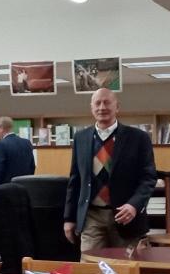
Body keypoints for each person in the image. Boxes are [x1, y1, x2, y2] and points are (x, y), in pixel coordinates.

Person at [64, 88, 156, 252]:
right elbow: (75, 179)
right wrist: (69, 218)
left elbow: (148, 178)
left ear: (117, 107)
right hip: (91, 217)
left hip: (125, 217)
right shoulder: (81, 138)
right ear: (91, 107)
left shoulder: (138, 138)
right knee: (90, 269)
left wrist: (134, 205)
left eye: (107, 102)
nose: (102, 107)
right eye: (97, 103)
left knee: (124, 271)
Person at [0, 116, 35, 189]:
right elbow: (32, 167)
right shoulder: (27, 143)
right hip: (24, 191)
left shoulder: (0, 145)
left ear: (1, 128)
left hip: (5, 192)